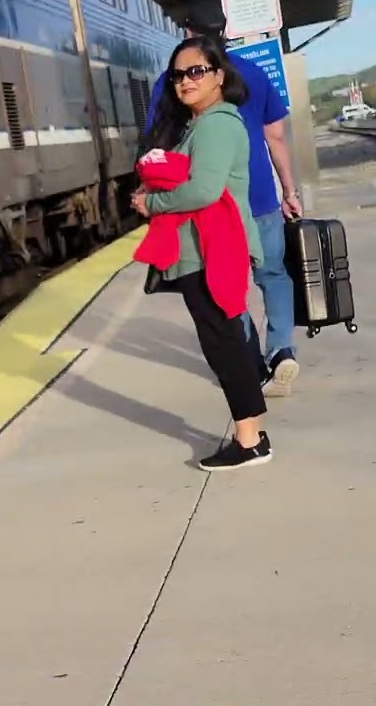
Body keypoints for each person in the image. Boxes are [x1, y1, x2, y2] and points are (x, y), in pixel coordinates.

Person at [145, 0, 304, 398]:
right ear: (226, 31)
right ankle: (281, 350)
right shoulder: (253, 72)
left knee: (225, 287)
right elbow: (275, 136)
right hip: (260, 196)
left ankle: (251, 365)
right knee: (273, 274)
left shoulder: (174, 80)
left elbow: (157, 144)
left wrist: (153, 197)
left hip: (212, 208)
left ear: (187, 32)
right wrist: (289, 190)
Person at [131, 36, 271, 471]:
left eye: (196, 71)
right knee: (226, 340)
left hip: (213, 249)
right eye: (178, 75)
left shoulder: (216, 125)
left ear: (219, 76)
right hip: (205, 247)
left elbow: (205, 190)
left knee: (223, 343)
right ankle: (253, 434)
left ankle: (249, 441)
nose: (185, 81)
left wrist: (152, 203)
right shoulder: (200, 125)